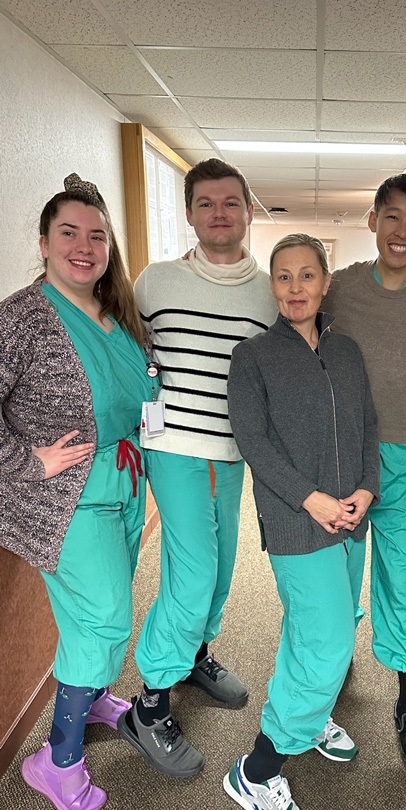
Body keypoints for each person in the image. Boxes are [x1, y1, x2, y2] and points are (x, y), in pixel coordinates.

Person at [0, 174, 160, 810]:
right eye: (69, 233)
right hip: (64, 498)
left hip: (122, 482)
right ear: (43, 242)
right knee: (105, 620)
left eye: (97, 235)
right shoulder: (23, 316)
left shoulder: (114, 311)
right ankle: (56, 759)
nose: (84, 246)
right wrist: (24, 460)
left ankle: (89, 696)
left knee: (93, 619)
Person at [117, 159, 277, 777]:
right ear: (189, 213)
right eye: (206, 203)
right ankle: (150, 703)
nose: (219, 213)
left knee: (219, 573)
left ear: (247, 211)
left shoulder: (268, 292)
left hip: (232, 454)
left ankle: (192, 657)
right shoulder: (154, 282)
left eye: (231, 202)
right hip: (175, 449)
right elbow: (126, 356)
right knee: (191, 575)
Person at [223, 234, 380, 810]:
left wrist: (365, 488)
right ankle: (259, 770)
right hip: (298, 520)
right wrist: (310, 500)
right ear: (272, 285)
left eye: (307, 276)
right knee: (329, 644)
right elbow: (254, 441)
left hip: (351, 517)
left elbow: (366, 423)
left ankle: (309, 718)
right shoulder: (254, 355)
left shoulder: (346, 350)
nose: (296, 288)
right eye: (284, 277)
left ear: (325, 280)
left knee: (310, 632)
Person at [322, 173, 406, 771]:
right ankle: (327, 679)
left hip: (401, 456)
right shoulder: (341, 288)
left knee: (401, 579)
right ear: (373, 219)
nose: (403, 232)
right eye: (393, 217)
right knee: (337, 578)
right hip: (343, 456)